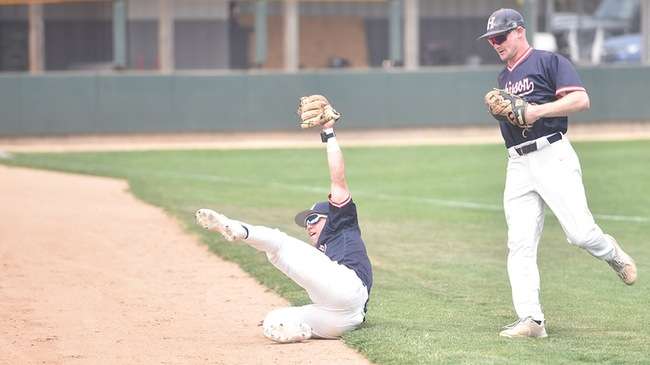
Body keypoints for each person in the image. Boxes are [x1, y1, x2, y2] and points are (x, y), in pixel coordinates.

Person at [478, 8, 637, 338]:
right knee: (519, 243)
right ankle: (531, 320)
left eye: (500, 36)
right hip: (518, 164)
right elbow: (517, 118)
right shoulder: (503, 78)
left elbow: (581, 100)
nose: (495, 43)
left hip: (552, 153)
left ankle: (611, 252)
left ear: (520, 31)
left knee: (580, 234)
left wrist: (537, 110)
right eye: (491, 39)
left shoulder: (549, 62)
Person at [195, 97, 372, 343]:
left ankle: (235, 228)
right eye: (307, 222)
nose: (309, 225)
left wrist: (328, 132)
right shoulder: (322, 253)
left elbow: (338, 179)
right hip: (342, 319)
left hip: (349, 289)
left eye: (314, 219)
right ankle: (299, 333)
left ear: (331, 216)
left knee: (278, 244)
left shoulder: (342, 222)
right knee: (274, 319)